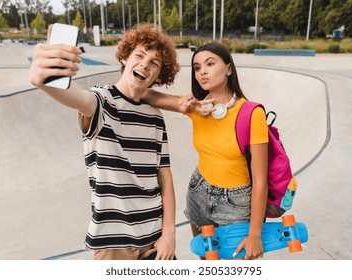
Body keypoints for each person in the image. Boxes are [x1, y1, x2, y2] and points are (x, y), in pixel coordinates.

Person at [28, 23, 180, 260]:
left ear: (159, 75)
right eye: (139, 56)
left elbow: (164, 176)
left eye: (154, 63)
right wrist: (45, 78)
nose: (145, 64)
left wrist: (169, 233)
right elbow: (78, 98)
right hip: (114, 243)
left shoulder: (155, 117)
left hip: (155, 239)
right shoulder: (103, 101)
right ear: (125, 58)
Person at [143, 42, 269, 260]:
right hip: (198, 193)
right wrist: (186, 105)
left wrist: (255, 233)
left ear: (228, 69)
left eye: (210, 64)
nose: (202, 71)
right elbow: (146, 95)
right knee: (206, 262)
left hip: (236, 205)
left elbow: (260, 180)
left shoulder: (251, 113)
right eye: (197, 67)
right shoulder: (197, 108)